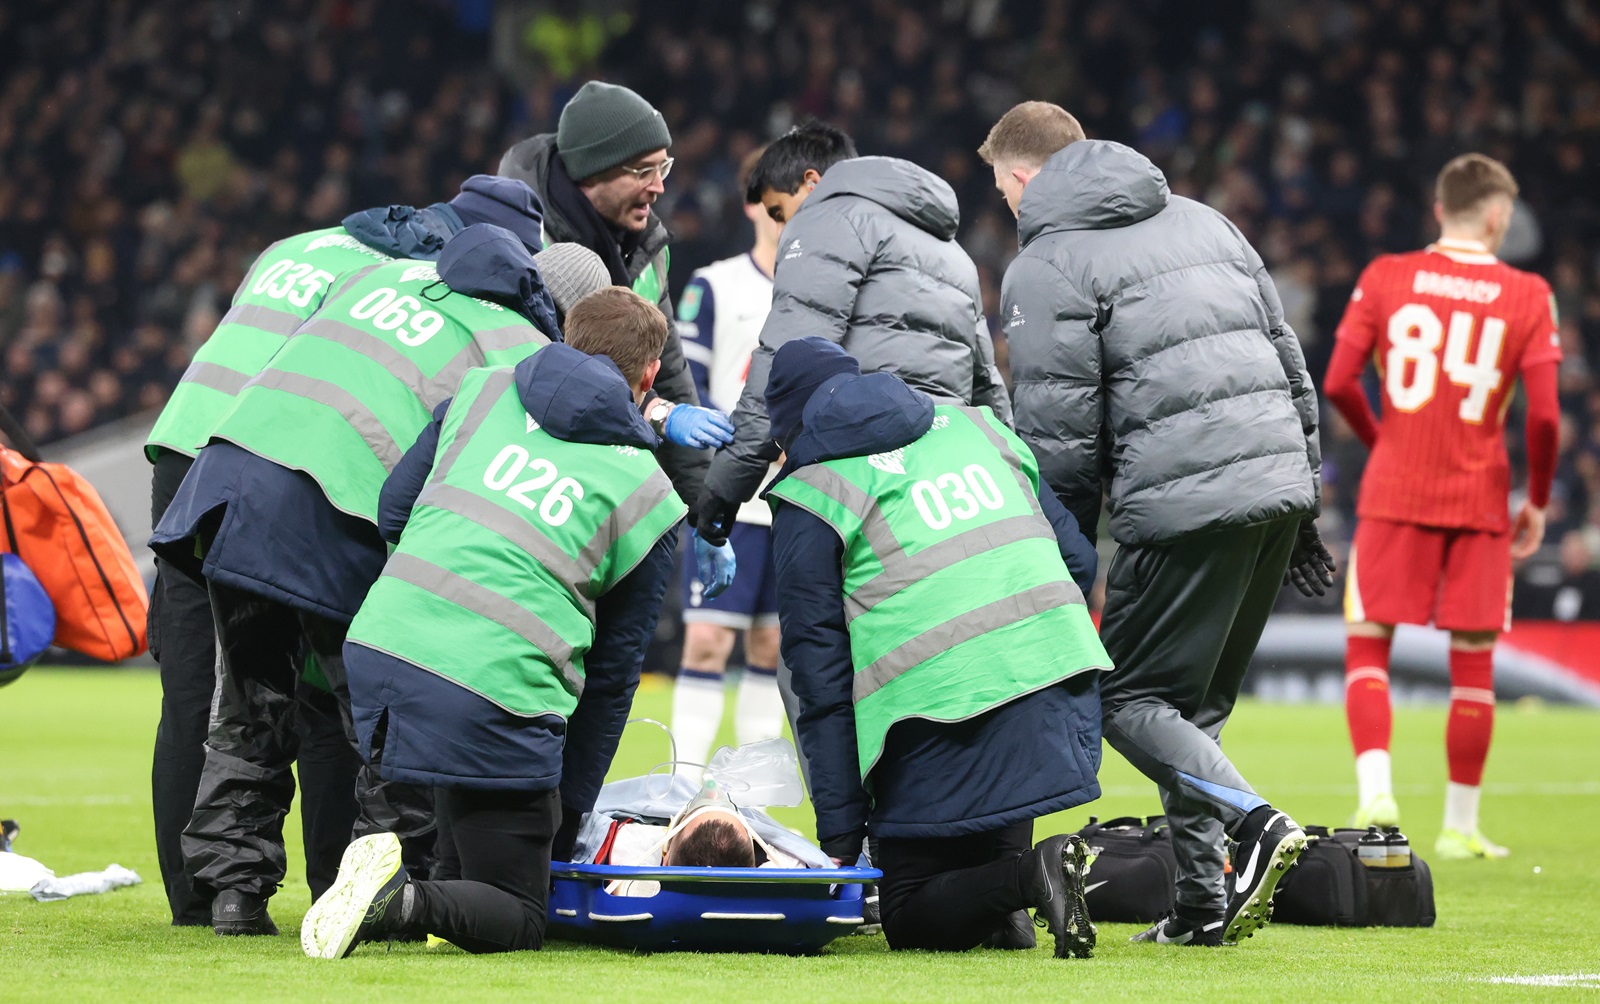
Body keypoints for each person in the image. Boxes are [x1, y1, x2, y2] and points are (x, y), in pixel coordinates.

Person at [149, 220, 600, 936]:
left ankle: (233, 894)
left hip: (230, 485)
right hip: (336, 507)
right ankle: (381, 898)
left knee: (248, 706)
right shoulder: (520, 349)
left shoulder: (387, 277)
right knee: (384, 721)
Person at [981, 101, 1327, 947]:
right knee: (1187, 710)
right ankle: (1202, 908)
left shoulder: (1048, 262)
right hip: (1275, 484)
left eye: (1001, 192)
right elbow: (1288, 360)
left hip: (1179, 504)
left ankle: (1255, 822)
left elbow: (1059, 433)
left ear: (1024, 178)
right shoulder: (1207, 222)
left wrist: (1059, 557)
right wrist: (1305, 500)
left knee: (1126, 695)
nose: (1006, 209)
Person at [300, 288, 686, 959]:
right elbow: (613, 679)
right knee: (516, 910)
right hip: (495, 683)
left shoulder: (479, 393)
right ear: (649, 377)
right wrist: (565, 810)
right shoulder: (649, 492)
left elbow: (394, 508)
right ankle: (401, 898)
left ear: (565, 339)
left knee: (464, 843)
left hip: (384, 646)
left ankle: (395, 886)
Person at [763, 337, 1108, 959]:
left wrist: (841, 837)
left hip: (938, 707)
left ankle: (1033, 876)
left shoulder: (813, 489)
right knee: (977, 870)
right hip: (1052, 686)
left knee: (909, 913)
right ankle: (1010, 899)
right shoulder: (979, 425)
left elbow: (818, 676)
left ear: (790, 431)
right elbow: (1079, 559)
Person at [1323, 153, 1560, 860]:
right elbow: (1545, 419)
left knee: (1369, 647)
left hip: (1394, 490)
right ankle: (1460, 825)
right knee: (1475, 664)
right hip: (1480, 496)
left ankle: (1375, 793)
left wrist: (1384, 438)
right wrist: (1539, 501)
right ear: (1496, 217)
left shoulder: (1385, 276)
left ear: (1438, 210)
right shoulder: (1527, 293)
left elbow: (1338, 381)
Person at [695, 120, 1010, 546]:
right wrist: (1014, 474)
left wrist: (722, 490)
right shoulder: (953, 252)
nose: (781, 228)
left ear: (811, 183)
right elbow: (986, 381)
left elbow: (784, 358)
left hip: (868, 476)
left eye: (777, 211)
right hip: (947, 480)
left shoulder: (826, 219)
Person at [498, 81, 717, 526]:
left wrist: (703, 512)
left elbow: (668, 371)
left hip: (594, 483)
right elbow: (534, 377)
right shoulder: (520, 243)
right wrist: (655, 412)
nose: (658, 187)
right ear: (591, 172)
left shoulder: (647, 246)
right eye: (642, 171)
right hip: (514, 479)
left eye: (664, 168)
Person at [669, 148, 787, 777]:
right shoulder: (716, 285)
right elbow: (691, 384)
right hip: (733, 491)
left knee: (770, 646)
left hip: (792, 497)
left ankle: (753, 798)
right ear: (752, 203)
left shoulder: (820, 293)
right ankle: (683, 783)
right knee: (709, 638)